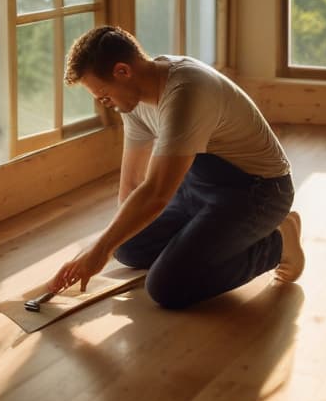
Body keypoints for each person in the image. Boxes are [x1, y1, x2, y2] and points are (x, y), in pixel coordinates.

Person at [47, 25, 304, 309]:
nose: (105, 105)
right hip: (197, 187)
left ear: (123, 71)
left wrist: (98, 253)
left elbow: (157, 193)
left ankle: (278, 244)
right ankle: (205, 240)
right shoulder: (135, 100)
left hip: (257, 191)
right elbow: (132, 186)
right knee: (127, 247)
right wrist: (95, 250)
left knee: (167, 286)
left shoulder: (186, 91)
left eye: (104, 96)